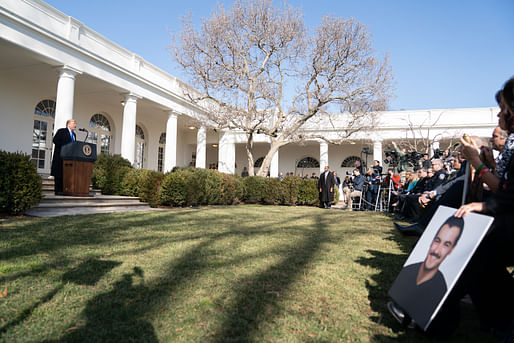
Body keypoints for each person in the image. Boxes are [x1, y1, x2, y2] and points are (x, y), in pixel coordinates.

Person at [388, 216, 464, 330]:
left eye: (446, 245)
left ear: (452, 249)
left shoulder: (442, 285)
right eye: (437, 241)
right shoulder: (410, 269)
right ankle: (419, 226)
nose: (437, 251)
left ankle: (425, 317)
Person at [51, 118, 76, 195]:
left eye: (75, 124)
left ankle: (64, 190)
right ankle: (57, 191)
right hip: (60, 156)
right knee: (58, 174)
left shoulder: (74, 135)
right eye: (74, 124)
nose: (75, 125)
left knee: (66, 174)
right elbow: (55, 140)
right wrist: (65, 146)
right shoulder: (61, 131)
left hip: (69, 158)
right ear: (69, 124)